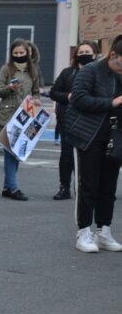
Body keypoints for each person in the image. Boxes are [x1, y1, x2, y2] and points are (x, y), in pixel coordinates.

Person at [63, 37, 122, 253]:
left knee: (109, 187)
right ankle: (84, 232)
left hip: (115, 136)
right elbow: (78, 99)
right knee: (88, 185)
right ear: (113, 55)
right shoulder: (90, 71)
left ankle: (104, 231)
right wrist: (111, 102)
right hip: (88, 135)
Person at [50, 41, 99, 201]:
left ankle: (84, 187)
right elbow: (54, 92)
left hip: (92, 121)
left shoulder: (99, 73)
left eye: (87, 51)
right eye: (81, 51)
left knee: (88, 156)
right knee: (66, 156)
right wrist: (68, 96)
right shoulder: (67, 73)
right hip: (68, 120)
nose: (83, 54)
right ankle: (64, 187)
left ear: (94, 54)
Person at [0, 39, 42, 201]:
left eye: (22, 53)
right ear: (11, 54)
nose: (19, 56)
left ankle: (8, 187)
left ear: (27, 53)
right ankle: (13, 188)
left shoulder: (33, 70)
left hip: (26, 115)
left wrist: (36, 99)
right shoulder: (6, 69)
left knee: (18, 152)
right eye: (16, 53)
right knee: (10, 153)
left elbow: (36, 91)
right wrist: (9, 88)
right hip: (8, 116)